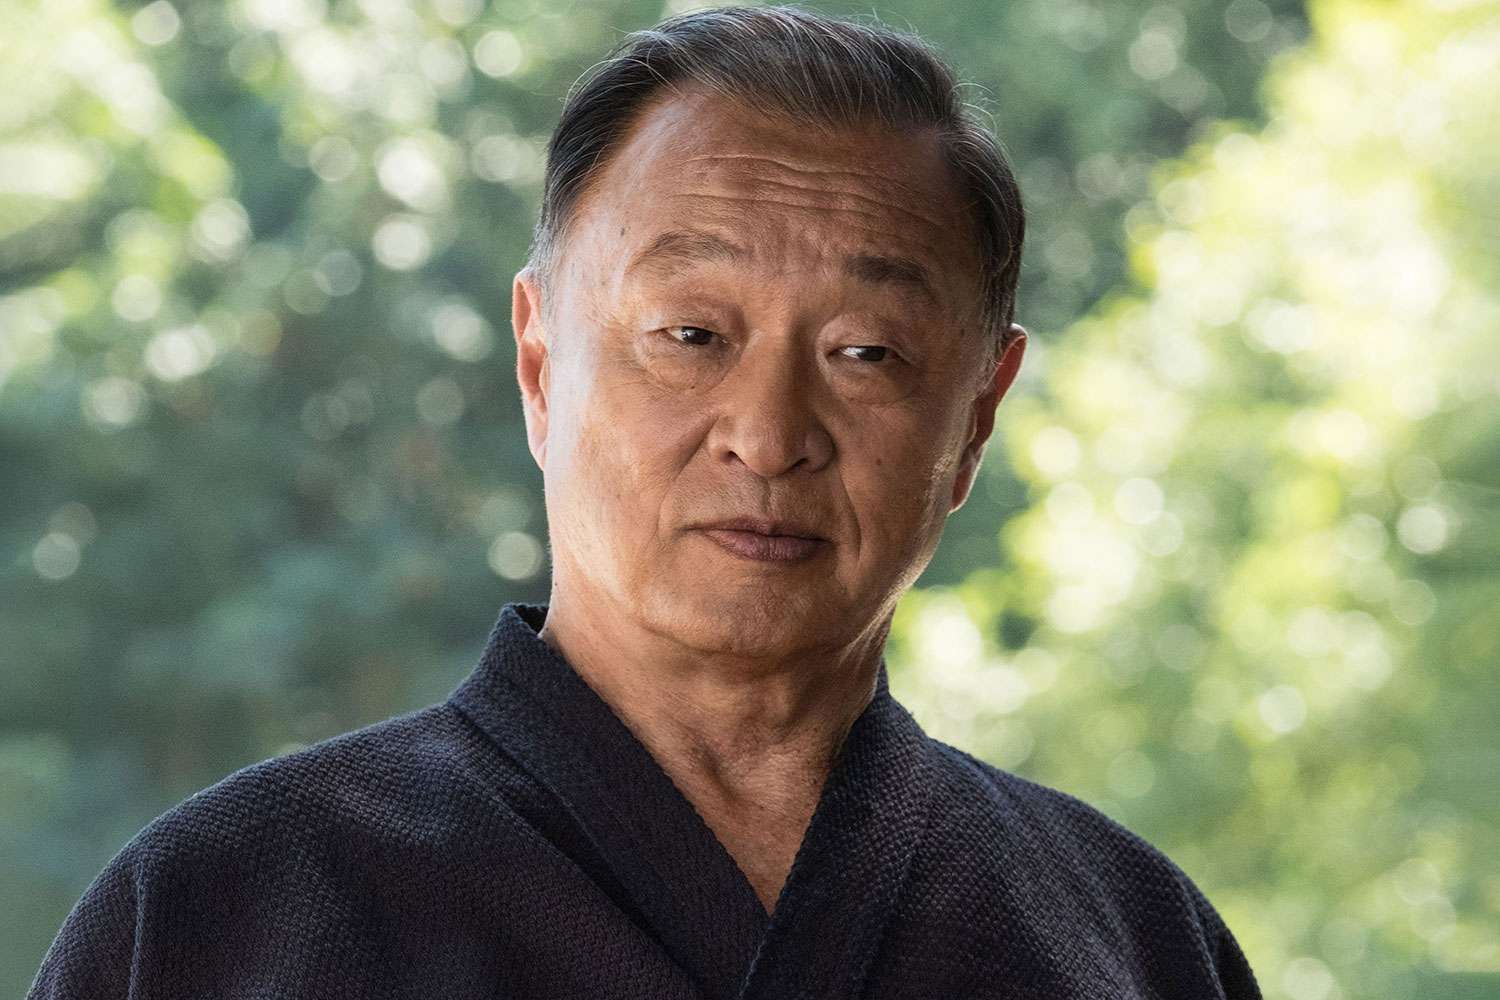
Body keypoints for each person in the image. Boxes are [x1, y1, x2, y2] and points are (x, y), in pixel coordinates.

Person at [29, 6, 1261, 998]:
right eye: (691, 334)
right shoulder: (227, 913)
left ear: (977, 415)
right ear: (539, 362)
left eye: (866, 352)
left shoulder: (1133, 940)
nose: (768, 435)